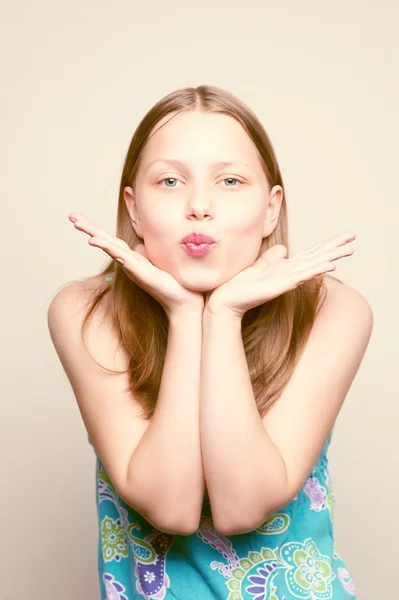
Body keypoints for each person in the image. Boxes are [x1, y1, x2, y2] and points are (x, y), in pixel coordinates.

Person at [47, 85, 373, 600]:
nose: (199, 206)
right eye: (171, 181)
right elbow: (171, 508)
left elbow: (241, 506)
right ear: (133, 209)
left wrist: (223, 315)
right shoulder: (87, 311)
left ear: (271, 209)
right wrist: (184, 314)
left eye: (230, 180)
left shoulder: (333, 310)